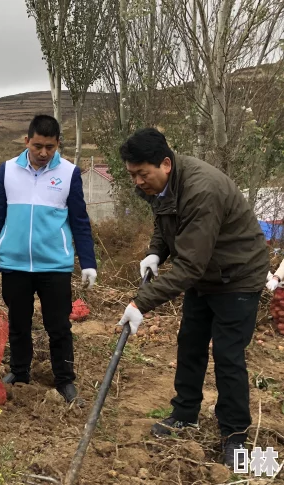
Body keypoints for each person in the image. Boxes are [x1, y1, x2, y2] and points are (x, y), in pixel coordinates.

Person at [117, 128, 269, 468]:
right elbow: (164, 220)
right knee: (190, 342)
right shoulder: (159, 184)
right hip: (205, 274)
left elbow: (189, 265)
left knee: (228, 356)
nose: (138, 182)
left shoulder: (202, 189)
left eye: (142, 174)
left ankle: (235, 437)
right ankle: (185, 414)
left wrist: (140, 302)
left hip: (238, 275)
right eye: (132, 174)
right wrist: (156, 251)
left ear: (166, 164)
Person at [0, 114, 97, 403]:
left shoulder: (68, 173)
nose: (43, 153)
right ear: (26, 141)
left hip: (54, 265)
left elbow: (80, 221)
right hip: (14, 264)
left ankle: (65, 380)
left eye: (50, 147)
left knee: (59, 327)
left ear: (57, 145)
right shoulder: (7, 171)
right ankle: (19, 372)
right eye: (38, 146)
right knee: (19, 323)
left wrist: (88, 262)